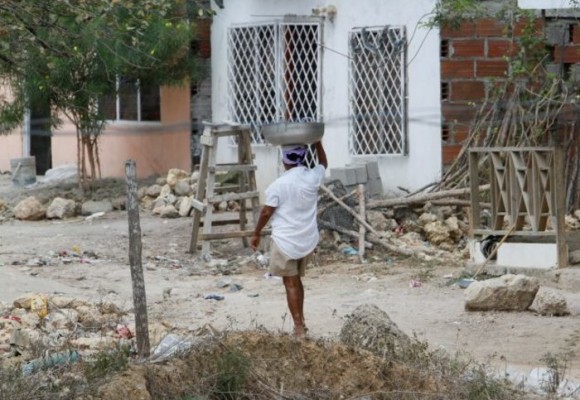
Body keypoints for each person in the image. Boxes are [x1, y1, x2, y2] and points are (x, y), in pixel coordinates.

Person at [251, 141, 328, 339]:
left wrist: (256, 232)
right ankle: (301, 321)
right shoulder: (312, 178)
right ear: (303, 158)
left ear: (285, 161)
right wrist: (318, 143)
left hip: (285, 241)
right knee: (296, 281)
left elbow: (267, 211)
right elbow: (323, 163)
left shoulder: (278, 185)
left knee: (290, 283)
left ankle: (299, 328)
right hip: (307, 239)